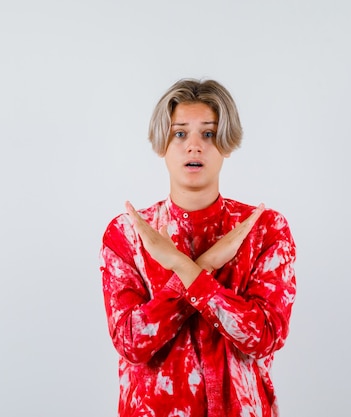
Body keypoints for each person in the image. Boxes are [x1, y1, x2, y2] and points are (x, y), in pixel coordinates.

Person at [99, 78, 297, 417]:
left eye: (207, 134)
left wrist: (184, 267)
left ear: (226, 143)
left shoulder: (264, 229)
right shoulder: (127, 234)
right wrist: (199, 268)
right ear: (163, 143)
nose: (194, 146)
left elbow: (264, 337)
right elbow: (131, 342)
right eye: (180, 134)